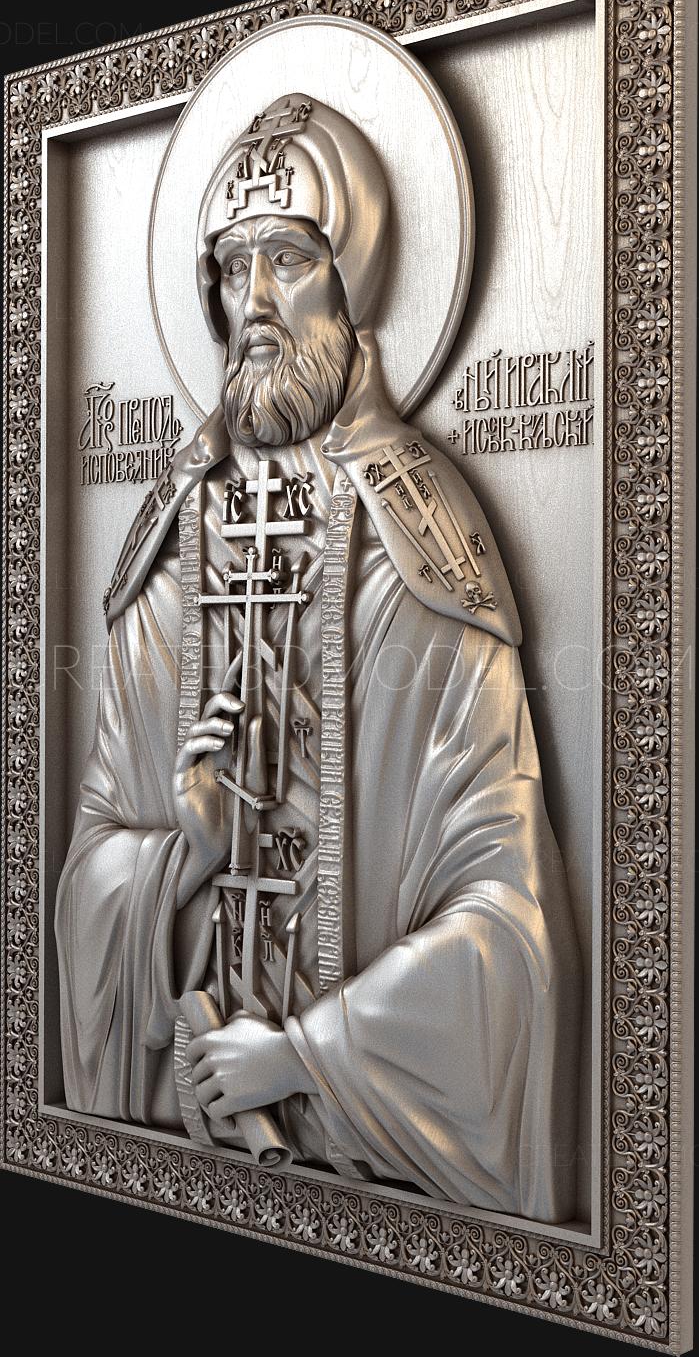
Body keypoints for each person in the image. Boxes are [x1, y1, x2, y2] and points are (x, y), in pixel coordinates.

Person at [56, 93, 581, 1222]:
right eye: (230, 265)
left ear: (353, 279)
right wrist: (180, 860)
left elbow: (509, 919)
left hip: (369, 1164)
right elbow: (89, 864)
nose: (252, 301)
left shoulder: (423, 541)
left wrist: (306, 1054)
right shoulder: (165, 551)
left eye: (288, 258)